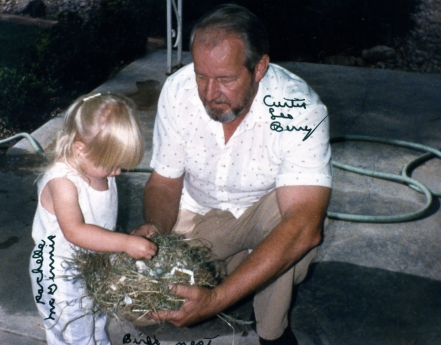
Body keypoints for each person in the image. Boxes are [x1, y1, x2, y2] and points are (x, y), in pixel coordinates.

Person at [134, 4, 332, 345]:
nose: (209, 94)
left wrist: (215, 301)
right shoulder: (178, 91)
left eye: (225, 79)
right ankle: (243, 270)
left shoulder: (299, 108)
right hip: (198, 214)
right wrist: (155, 232)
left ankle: (273, 332)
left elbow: (304, 226)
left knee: (293, 226)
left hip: (261, 213)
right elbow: (164, 183)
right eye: (201, 75)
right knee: (138, 312)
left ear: (259, 68)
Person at [29, 92, 157, 344]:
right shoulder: (63, 182)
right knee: (75, 331)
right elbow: (75, 231)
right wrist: (124, 243)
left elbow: (99, 222)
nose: (117, 172)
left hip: (89, 267)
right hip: (60, 277)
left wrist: (125, 238)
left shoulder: (97, 166)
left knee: (96, 318)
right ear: (81, 149)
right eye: (111, 165)